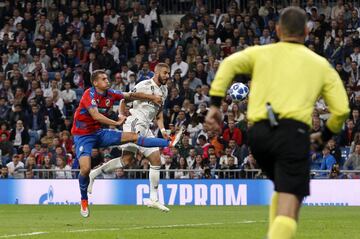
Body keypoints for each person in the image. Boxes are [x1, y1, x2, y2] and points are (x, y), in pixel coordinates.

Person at [205, 7, 349, 239]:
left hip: (259, 136)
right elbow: (341, 110)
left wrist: (214, 104)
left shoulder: (261, 53)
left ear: (278, 30)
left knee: (283, 190)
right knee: (291, 206)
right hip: (292, 135)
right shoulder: (320, 64)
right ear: (306, 31)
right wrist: (322, 137)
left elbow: (229, 63)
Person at [72, 69, 182, 218]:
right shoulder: (88, 94)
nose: (107, 81)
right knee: (85, 169)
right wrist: (118, 120)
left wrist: (151, 98)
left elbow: (130, 95)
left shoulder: (111, 93)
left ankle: (168, 143)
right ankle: (84, 199)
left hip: (99, 133)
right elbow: (96, 115)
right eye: (103, 79)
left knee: (134, 140)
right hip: (83, 136)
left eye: (107, 78)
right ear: (95, 82)